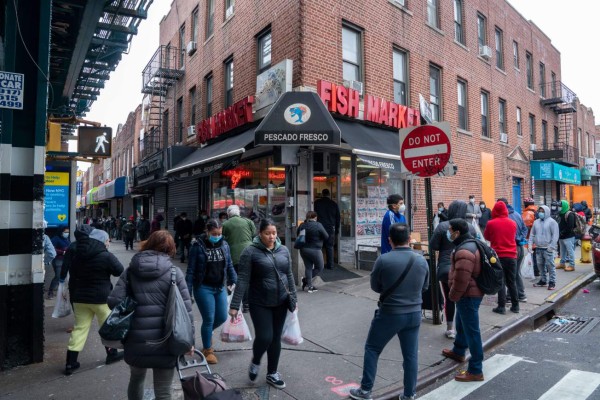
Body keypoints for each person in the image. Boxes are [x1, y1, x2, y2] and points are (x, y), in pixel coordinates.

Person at [108, 230, 194, 400]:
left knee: (136, 379)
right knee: (163, 390)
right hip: (166, 340)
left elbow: (113, 301)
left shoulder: (131, 271)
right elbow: (186, 311)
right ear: (170, 249)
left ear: (148, 243)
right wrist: (189, 342)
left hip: (135, 338)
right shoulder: (175, 273)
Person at [349, 224, 429, 400]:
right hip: (414, 312)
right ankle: (409, 394)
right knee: (410, 355)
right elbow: (425, 287)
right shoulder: (421, 260)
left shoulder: (383, 260)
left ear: (390, 240)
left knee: (372, 348)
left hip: (390, 312)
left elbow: (375, 286)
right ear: (409, 239)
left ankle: (365, 390)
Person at [229, 219, 297, 390]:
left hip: (281, 301)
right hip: (259, 301)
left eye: (274, 233)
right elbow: (243, 279)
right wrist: (235, 304)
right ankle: (256, 360)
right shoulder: (250, 252)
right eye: (268, 233)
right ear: (260, 233)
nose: (272, 236)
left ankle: (272, 373)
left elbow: (288, 275)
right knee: (265, 336)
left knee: (275, 339)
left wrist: (294, 299)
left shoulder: (284, 250)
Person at [62, 228, 124, 375]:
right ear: (102, 241)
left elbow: (72, 273)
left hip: (80, 298)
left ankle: (70, 363)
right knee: (107, 327)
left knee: (79, 328)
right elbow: (119, 270)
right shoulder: (106, 255)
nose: (108, 243)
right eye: (107, 240)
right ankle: (112, 354)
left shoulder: (77, 254)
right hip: (101, 298)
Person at [186, 219, 237, 364]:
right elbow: (190, 271)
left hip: (220, 286)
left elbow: (229, 265)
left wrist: (234, 280)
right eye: (214, 233)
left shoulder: (225, 245)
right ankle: (208, 350)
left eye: (219, 233)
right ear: (207, 232)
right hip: (203, 287)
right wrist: (187, 292)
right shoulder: (197, 246)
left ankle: (205, 334)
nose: (217, 236)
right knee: (208, 319)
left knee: (221, 316)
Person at [441, 218, 485, 382]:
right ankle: (459, 351)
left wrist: (452, 297)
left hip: (468, 295)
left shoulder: (464, 251)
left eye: (450, 230)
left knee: (472, 331)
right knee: (462, 322)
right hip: (470, 294)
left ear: (457, 232)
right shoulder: (469, 244)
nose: (449, 233)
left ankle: (476, 369)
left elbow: (461, 280)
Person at [430, 200, 477, 339]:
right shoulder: (470, 227)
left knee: (449, 298)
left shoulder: (442, 226)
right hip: (465, 267)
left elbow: (433, 245)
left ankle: (450, 328)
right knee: (463, 298)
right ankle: (463, 329)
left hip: (445, 267)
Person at [484, 201, 519, 314]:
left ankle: (501, 307)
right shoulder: (513, 223)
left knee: (501, 282)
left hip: (498, 257)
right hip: (512, 256)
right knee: (512, 282)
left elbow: (487, 237)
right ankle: (515, 306)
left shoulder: (491, 223)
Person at [222, 204, 255, 313]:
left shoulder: (225, 224)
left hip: (233, 256)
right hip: (249, 253)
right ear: (239, 213)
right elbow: (254, 234)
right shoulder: (248, 222)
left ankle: (232, 302)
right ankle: (246, 304)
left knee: (233, 278)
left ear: (228, 214)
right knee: (247, 279)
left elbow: (221, 238)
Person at [499, 198, 529, 304]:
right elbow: (525, 229)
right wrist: (521, 238)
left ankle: (513, 296)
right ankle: (518, 295)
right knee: (515, 272)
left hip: (512, 248)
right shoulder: (516, 214)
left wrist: (516, 238)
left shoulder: (505, 217)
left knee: (510, 274)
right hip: (519, 247)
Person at [297, 211, 329, 293]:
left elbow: (298, 234)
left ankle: (310, 286)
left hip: (303, 250)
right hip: (315, 250)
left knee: (308, 267)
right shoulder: (318, 225)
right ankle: (305, 280)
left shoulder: (302, 225)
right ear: (315, 217)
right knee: (320, 267)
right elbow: (326, 236)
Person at [529, 205, 560, 291]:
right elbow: (532, 234)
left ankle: (552, 281)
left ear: (546, 212)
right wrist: (530, 245)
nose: (541, 213)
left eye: (542, 211)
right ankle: (543, 280)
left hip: (548, 248)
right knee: (540, 265)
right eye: (540, 211)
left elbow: (555, 235)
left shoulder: (552, 222)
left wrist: (551, 247)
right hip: (539, 248)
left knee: (550, 266)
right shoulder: (536, 222)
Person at [314, 188, 340, 269]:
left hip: (319, 227)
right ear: (329, 194)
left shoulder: (317, 203)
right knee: (330, 247)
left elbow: (313, 215)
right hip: (330, 228)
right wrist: (337, 229)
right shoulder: (334, 204)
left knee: (319, 246)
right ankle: (330, 265)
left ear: (322, 194)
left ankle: (319, 265)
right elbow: (338, 217)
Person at [48, 225, 70, 299]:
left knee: (63, 276)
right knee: (58, 276)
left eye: (68, 231)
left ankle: (60, 292)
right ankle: (50, 292)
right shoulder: (55, 239)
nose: (67, 233)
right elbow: (52, 249)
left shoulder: (67, 239)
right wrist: (62, 252)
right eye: (65, 232)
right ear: (61, 232)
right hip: (58, 260)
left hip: (65, 260)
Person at [557, 200, 576, 272]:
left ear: (564, 206)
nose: (559, 207)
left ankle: (572, 265)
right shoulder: (560, 213)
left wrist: (562, 232)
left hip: (569, 236)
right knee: (562, 251)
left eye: (560, 206)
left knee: (570, 251)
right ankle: (562, 263)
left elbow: (570, 226)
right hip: (561, 236)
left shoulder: (570, 214)